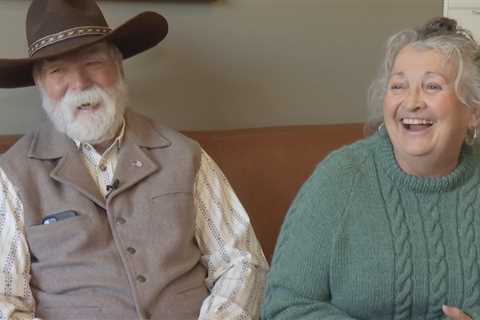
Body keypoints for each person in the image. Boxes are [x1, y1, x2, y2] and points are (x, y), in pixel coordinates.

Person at [0, 0, 268, 319]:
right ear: (41, 84)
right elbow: (6, 298)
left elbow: (242, 262)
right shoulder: (14, 174)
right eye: (58, 70)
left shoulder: (184, 154)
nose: (81, 83)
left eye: (93, 62)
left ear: (119, 68)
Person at [263, 17, 480, 320]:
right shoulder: (341, 177)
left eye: (432, 86)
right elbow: (284, 304)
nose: (412, 102)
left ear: (473, 112)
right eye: (398, 85)